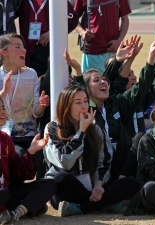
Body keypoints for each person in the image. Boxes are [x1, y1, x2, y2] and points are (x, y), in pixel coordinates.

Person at [74, 33, 155, 178]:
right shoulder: (85, 109)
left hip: (126, 161)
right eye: (127, 73)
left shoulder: (121, 103)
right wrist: (121, 60)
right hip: (98, 166)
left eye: (103, 80)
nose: (132, 77)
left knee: (140, 138)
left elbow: (148, 84)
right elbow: (111, 80)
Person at [43, 85, 139, 217]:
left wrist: (98, 185)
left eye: (85, 101)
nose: (84, 106)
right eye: (78, 102)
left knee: (131, 183)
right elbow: (65, 162)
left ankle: (80, 207)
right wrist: (81, 131)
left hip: (91, 185)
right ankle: (103, 204)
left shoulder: (95, 128)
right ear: (66, 106)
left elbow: (104, 161)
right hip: (66, 190)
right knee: (60, 178)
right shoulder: (53, 128)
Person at [0, 97, 56, 224]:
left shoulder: (5, 139)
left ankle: (14, 213)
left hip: (7, 192)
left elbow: (17, 175)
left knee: (48, 184)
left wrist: (30, 152)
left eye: (3, 108)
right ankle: (28, 207)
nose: (3, 112)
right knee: (4, 196)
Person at [0, 33, 49, 154]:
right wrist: (3, 92)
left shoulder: (31, 74)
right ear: (4, 52)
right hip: (5, 136)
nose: (24, 50)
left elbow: (36, 112)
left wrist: (41, 106)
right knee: (19, 155)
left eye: (23, 46)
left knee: (41, 158)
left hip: (30, 135)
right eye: (18, 47)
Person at [17, 0, 78, 77]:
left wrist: (52, 33)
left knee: (55, 80)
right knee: (35, 84)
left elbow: (73, 20)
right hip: (29, 52)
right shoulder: (22, 1)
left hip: (51, 49)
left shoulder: (56, 2)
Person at [74, 0, 131, 72]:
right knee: (92, 81)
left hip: (114, 50)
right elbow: (74, 18)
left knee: (115, 82)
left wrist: (119, 40)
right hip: (92, 51)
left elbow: (125, 19)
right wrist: (82, 32)